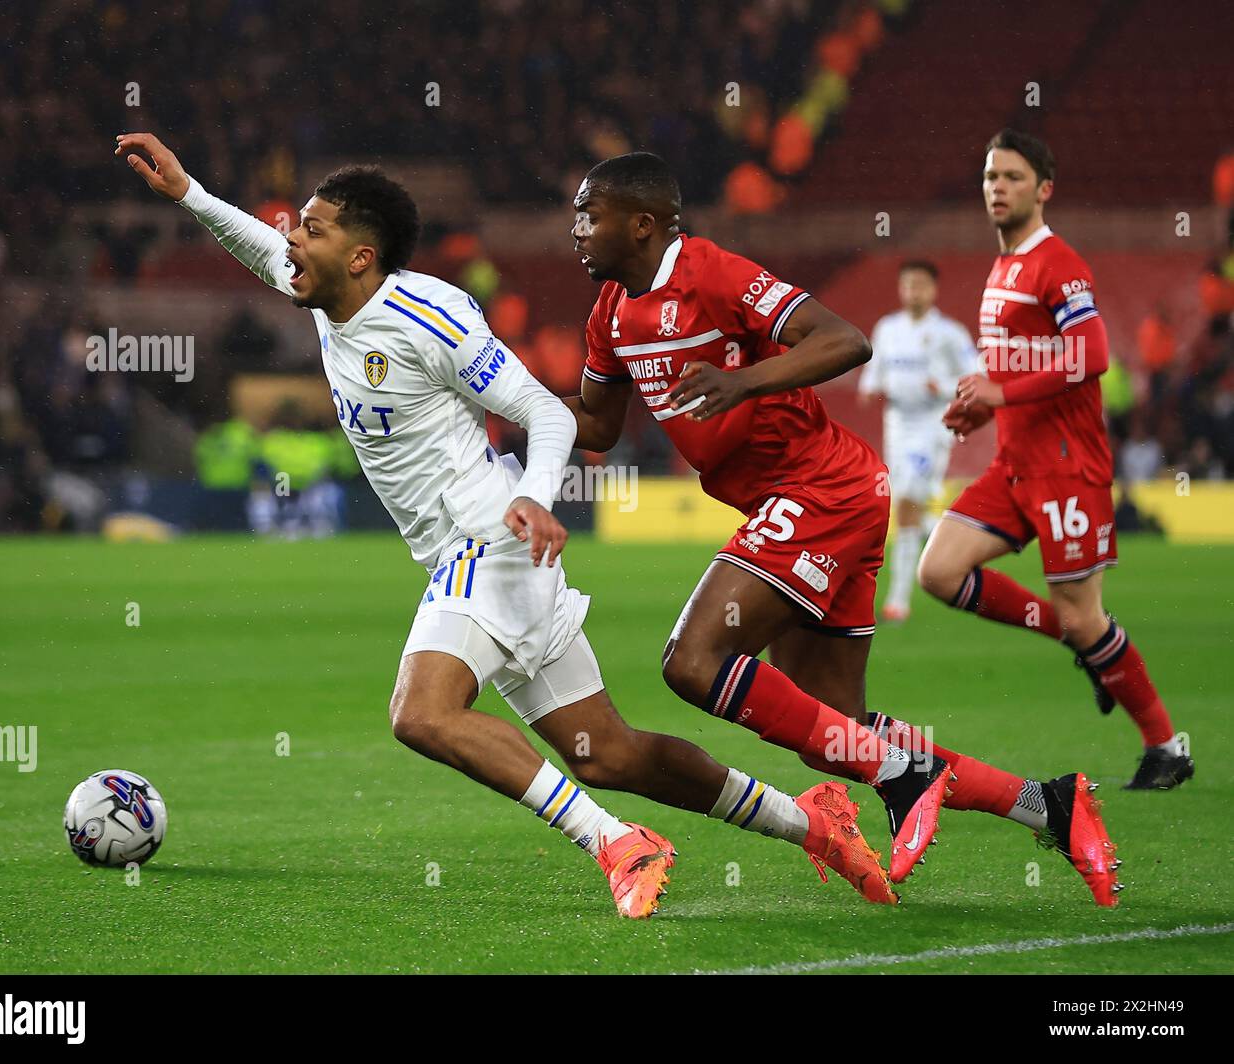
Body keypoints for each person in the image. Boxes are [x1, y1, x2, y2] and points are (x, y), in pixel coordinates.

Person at [116, 131, 901, 917]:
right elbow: (262, 249)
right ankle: (812, 824)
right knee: (609, 755)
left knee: (420, 714)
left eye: (311, 229)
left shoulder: (429, 314)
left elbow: (541, 413)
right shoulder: (329, 298)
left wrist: (534, 497)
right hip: (475, 558)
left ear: (360, 257)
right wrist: (188, 192)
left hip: (488, 540)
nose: (290, 240)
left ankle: (617, 844)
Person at [566, 151, 1121, 903]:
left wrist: (742, 380)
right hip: (824, 497)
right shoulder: (607, 317)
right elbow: (595, 427)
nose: (575, 230)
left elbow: (843, 339)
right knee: (838, 730)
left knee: (692, 662)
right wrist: (490, 399)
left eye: (588, 215)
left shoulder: (713, 273)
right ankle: (1048, 805)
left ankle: (904, 775)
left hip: (821, 486)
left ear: (640, 224)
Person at [921, 129, 1194, 791]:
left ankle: (1167, 746)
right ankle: (1085, 646)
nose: (998, 189)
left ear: (1043, 189)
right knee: (939, 571)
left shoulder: (1057, 262)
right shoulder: (1003, 267)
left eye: (1012, 177)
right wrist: (985, 406)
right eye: (990, 177)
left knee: (1085, 616)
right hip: (1013, 464)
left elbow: (1091, 356)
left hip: (1067, 468)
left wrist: (1001, 390)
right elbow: (1024, 360)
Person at [859, 261, 976, 621]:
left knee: (907, 500)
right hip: (897, 423)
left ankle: (898, 600)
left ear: (933, 290)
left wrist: (941, 387)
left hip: (933, 425)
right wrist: (868, 388)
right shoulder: (887, 329)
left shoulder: (949, 333)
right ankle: (952, 543)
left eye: (920, 285)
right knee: (909, 506)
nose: (914, 292)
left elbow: (978, 372)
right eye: (908, 285)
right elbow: (873, 372)